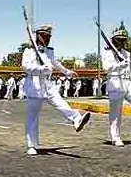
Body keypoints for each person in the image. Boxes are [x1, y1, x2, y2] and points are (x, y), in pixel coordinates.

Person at [22, 24, 92, 155]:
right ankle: (32, 145)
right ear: (38, 36)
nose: (47, 39)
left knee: (61, 103)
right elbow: (25, 67)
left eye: (48, 36)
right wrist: (40, 69)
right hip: (34, 84)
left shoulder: (49, 51)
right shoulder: (29, 51)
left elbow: (55, 63)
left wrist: (67, 72)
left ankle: (76, 119)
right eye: (44, 36)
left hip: (47, 84)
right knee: (33, 117)